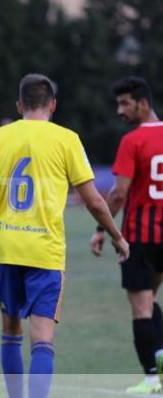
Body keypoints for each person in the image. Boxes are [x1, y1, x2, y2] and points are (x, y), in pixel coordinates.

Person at [0, 74, 129, 398]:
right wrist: (116, 235)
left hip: (5, 247)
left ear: (19, 105)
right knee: (42, 339)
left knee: (11, 331)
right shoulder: (67, 139)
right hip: (44, 251)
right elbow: (94, 199)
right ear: (53, 105)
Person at [90, 76, 163, 395]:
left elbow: (118, 194)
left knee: (141, 309)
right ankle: (159, 356)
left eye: (125, 103)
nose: (119, 110)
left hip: (141, 237)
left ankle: (150, 378)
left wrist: (102, 230)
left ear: (143, 104)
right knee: (151, 299)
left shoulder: (133, 141)